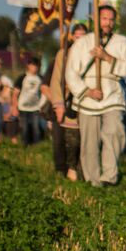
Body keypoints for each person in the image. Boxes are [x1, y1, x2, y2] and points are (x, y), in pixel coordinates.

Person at [66, 4, 126, 186]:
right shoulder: (82, 43)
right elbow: (71, 72)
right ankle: (93, 180)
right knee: (90, 140)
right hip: (88, 95)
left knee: (114, 133)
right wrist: (87, 91)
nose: (108, 23)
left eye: (111, 19)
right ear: (96, 20)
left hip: (112, 93)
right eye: (104, 19)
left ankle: (109, 177)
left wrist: (107, 57)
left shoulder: (122, 42)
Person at [43, 24, 85, 181]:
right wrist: (58, 103)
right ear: (72, 37)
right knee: (61, 141)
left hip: (82, 102)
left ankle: (78, 169)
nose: (80, 40)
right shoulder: (63, 55)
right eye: (77, 36)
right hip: (64, 101)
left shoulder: (90, 54)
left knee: (79, 140)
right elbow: (52, 82)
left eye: (83, 36)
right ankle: (62, 170)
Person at [14, 57, 46, 146]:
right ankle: (25, 145)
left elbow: (44, 92)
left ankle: (37, 146)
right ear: (28, 65)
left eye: (37, 66)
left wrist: (42, 105)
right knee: (24, 128)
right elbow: (15, 94)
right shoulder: (22, 78)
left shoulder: (40, 78)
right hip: (23, 107)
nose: (35, 68)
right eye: (33, 65)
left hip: (35, 107)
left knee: (36, 128)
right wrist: (14, 107)